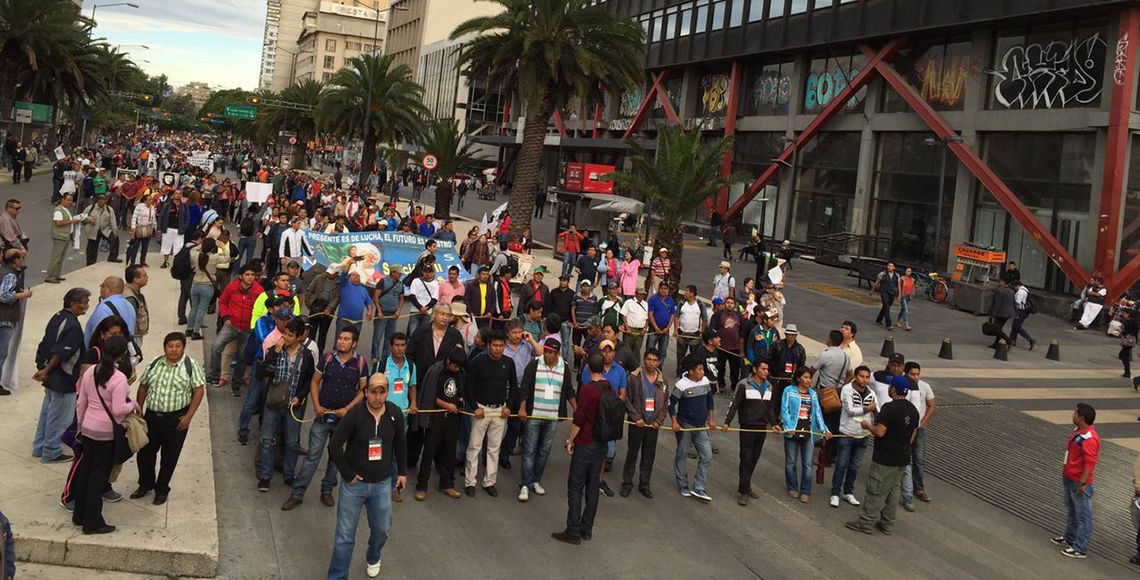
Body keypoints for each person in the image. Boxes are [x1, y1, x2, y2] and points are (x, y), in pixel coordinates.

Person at [327, 373, 407, 579]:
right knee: (344, 536)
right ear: (366, 392)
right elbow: (335, 445)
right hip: (354, 486)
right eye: (373, 391)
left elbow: (400, 445)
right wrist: (348, 474)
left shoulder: (395, 414)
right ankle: (337, 576)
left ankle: (373, 555)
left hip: (382, 485)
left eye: (382, 391)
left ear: (387, 392)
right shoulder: (355, 414)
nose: (378, 397)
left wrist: (403, 473)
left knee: (382, 530)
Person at [283, 327, 367, 511]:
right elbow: (314, 381)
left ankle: (327, 490)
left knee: (335, 457)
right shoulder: (328, 358)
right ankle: (297, 493)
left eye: (346, 339)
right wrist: (316, 405)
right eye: (340, 338)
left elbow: (363, 391)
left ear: (354, 343)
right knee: (313, 456)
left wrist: (347, 409)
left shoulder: (360, 363)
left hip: (343, 421)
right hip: (323, 417)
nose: (341, 342)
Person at [131, 332, 206, 506]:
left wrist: (188, 417)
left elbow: (199, 391)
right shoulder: (155, 363)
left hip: (175, 420)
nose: (174, 350)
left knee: (169, 457)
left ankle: (162, 489)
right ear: (164, 347)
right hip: (152, 418)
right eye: (170, 346)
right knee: (145, 454)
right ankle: (145, 484)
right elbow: (143, 386)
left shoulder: (190, 365)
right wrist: (139, 409)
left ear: (183, 348)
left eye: (177, 346)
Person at [72, 335, 137, 534]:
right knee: (98, 478)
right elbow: (118, 409)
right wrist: (132, 404)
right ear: (123, 354)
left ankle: (79, 514)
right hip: (106, 433)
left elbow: (81, 403)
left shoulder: (91, 371)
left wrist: (81, 428)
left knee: (85, 470)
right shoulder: (118, 379)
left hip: (89, 428)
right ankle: (93, 522)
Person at [845, 375, 919, 536]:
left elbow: (880, 432)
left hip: (885, 457)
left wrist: (867, 426)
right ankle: (887, 523)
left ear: (893, 389)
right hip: (903, 457)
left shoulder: (889, 408)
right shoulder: (913, 410)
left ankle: (866, 522)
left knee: (876, 489)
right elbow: (913, 434)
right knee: (893, 491)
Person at [551, 352, 607, 545]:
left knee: (575, 486)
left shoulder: (587, 390)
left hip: (585, 443)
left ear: (587, 368)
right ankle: (587, 528)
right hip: (601, 444)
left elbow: (579, 419)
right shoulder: (610, 388)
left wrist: (569, 440)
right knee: (592, 487)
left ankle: (573, 529)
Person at [255, 317, 316, 492]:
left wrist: (300, 397)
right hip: (273, 403)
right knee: (267, 439)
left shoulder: (306, 355)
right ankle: (265, 475)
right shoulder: (276, 349)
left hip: (292, 406)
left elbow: (309, 380)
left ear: (298, 337)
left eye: (290, 335)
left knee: (291, 442)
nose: (286, 338)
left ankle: (289, 474)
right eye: (285, 334)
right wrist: (275, 352)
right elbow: (262, 372)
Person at [31, 288, 89, 458]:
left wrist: (42, 368)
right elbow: (61, 352)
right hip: (63, 378)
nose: (86, 306)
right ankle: (51, 451)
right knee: (59, 416)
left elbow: (45, 343)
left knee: (47, 412)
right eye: (84, 303)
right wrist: (45, 371)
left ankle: (40, 446)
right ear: (73, 303)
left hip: (52, 375)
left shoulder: (57, 316)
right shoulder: (72, 325)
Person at [518, 339, 575, 502]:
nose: (547, 355)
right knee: (529, 451)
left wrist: (577, 410)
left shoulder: (564, 368)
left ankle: (535, 481)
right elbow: (525, 387)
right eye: (546, 351)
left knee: (544, 451)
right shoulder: (535, 364)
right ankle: (524, 484)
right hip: (534, 415)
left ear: (557, 353)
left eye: (551, 352)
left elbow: (569, 390)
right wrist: (522, 408)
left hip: (552, 417)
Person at [463, 330, 517, 497]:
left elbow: (514, 387)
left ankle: (489, 482)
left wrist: (509, 406)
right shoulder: (478, 363)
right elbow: (468, 387)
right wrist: (474, 407)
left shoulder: (509, 363)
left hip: (500, 412)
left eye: (501, 346)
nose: (498, 349)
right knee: (474, 447)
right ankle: (470, 482)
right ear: (488, 346)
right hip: (481, 410)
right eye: (495, 345)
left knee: (494, 449)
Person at [720, 359, 778, 506]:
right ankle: (744, 492)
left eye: (767, 369)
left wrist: (774, 424)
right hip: (747, 427)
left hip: (761, 428)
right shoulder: (744, 384)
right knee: (745, 458)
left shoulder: (770, 386)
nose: (766, 372)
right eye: (763, 369)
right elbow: (734, 404)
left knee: (754, 458)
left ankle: (745, 485)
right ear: (755, 369)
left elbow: (770, 409)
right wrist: (727, 421)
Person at [413, 348, 466, 501]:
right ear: (448, 360)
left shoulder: (460, 372)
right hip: (435, 417)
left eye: (459, 367)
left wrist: (460, 402)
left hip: (453, 418)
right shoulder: (437, 370)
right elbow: (430, 396)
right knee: (429, 452)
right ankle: (422, 486)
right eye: (455, 366)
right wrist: (446, 405)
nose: (456, 369)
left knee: (450, 452)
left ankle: (447, 484)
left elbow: (461, 392)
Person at [779, 366, 830, 503]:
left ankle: (806, 490)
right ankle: (792, 487)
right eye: (806, 377)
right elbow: (784, 410)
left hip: (808, 433)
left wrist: (824, 430)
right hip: (792, 433)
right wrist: (788, 427)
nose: (808, 380)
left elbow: (818, 413)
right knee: (791, 462)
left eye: (810, 378)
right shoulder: (788, 391)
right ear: (798, 378)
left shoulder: (813, 394)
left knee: (807, 464)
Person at [620, 349, 667, 498]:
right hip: (637, 423)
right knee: (632, 453)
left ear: (658, 362)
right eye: (649, 359)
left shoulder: (663, 381)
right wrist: (635, 417)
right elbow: (626, 400)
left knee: (649, 455)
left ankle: (644, 484)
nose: (651, 363)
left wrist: (659, 421)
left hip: (653, 425)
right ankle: (627, 483)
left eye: (654, 360)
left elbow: (665, 404)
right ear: (644, 360)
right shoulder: (633, 378)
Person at [670, 354, 716, 502]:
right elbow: (671, 404)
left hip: (701, 426)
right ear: (691, 371)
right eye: (700, 369)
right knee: (682, 455)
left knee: (707, 456)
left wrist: (711, 419)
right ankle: (683, 484)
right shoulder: (681, 385)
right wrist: (674, 422)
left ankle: (699, 486)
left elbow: (710, 402)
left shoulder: (705, 381)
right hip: (685, 426)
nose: (702, 372)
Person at [831, 365, 877, 508]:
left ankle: (848, 492)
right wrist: (866, 409)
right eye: (862, 376)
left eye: (867, 377)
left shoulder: (872, 393)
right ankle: (835, 493)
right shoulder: (847, 389)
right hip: (847, 433)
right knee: (841, 465)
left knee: (854, 466)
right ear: (856, 377)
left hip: (863, 436)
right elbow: (850, 410)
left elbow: (876, 409)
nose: (864, 380)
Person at [212, 265, 262, 394]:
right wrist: (226, 317)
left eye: (252, 275)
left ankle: (236, 383)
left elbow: (262, 308)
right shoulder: (232, 287)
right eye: (247, 274)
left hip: (247, 329)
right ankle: (215, 376)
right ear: (240, 276)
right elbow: (222, 301)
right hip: (231, 326)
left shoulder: (259, 290)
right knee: (216, 347)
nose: (250, 277)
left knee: (242, 357)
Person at [900, 361, 937, 511]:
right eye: (912, 374)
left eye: (917, 374)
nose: (915, 377)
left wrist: (923, 421)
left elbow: (932, 405)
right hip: (905, 428)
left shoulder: (924, 386)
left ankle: (918, 488)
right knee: (904, 458)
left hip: (919, 428)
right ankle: (904, 487)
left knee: (919, 459)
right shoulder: (903, 387)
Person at [187, 238, 225, 340]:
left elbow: (192, 250)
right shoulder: (214, 258)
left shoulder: (195, 256)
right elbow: (228, 257)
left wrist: (201, 245)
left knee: (194, 308)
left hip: (195, 284)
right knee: (202, 309)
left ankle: (189, 329)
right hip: (207, 285)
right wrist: (222, 246)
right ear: (213, 248)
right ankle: (196, 332)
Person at [84, 276, 136, 347]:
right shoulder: (129, 305)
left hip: (105, 353)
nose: (100, 289)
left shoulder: (103, 308)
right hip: (122, 350)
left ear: (108, 289)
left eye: (102, 286)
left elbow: (97, 335)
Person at [709, 295, 745, 393]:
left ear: (734, 305)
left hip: (735, 348)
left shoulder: (739, 316)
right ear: (725, 304)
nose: (729, 305)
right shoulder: (718, 315)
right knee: (720, 367)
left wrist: (741, 348)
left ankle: (734, 386)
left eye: (731, 303)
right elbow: (712, 329)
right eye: (727, 303)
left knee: (735, 369)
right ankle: (721, 384)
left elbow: (743, 331)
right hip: (721, 348)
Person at [371, 264, 405, 361]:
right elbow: (376, 296)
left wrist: (399, 311)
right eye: (399, 273)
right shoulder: (383, 281)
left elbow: (401, 298)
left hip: (393, 314)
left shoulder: (400, 284)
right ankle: (375, 356)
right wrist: (379, 311)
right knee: (378, 336)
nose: (400, 274)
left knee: (390, 337)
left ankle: (386, 357)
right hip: (382, 312)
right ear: (393, 272)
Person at [46, 194, 81, 284]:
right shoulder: (59, 210)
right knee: (56, 257)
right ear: (63, 199)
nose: (70, 202)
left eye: (71, 200)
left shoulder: (66, 210)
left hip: (65, 236)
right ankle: (50, 276)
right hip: (60, 236)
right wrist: (72, 221)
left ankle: (56, 275)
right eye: (68, 200)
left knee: (61, 258)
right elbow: (58, 222)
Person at [674, 285, 706, 376]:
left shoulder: (700, 304)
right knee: (680, 356)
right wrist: (676, 330)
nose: (685, 293)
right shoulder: (681, 303)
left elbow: (704, 319)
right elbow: (676, 317)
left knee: (695, 356)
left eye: (687, 291)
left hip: (695, 335)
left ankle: (693, 372)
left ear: (692, 293)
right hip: (682, 334)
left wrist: (702, 332)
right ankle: (679, 372)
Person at [84, 194, 121, 265]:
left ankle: (112, 257)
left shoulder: (109, 209)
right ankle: (90, 263)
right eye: (99, 199)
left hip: (105, 230)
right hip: (93, 230)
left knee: (114, 237)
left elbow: (113, 221)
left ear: (106, 201)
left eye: (103, 199)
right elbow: (82, 217)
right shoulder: (90, 208)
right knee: (92, 247)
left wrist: (115, 230)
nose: (101, 201)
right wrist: (89, 219)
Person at [405, 263, 439, 337]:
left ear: (433, 273)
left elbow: (434, 299)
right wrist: (420, 307)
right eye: (426, 271)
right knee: (413, 333)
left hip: (427, 312)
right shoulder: (416, 281)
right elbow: (412, 296)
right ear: (422, 272)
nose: (427, 273)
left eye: (429, 271)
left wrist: (426, 308)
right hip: (415, 311)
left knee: (424, 334)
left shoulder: (435, 283)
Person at [646, 282, 675, 367]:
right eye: (662, 288)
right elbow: (650, 314)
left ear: (668, 290)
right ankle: (648, 367)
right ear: (659, 289)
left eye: (665, 289)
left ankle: (659, 369)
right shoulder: (653, 299)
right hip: (654, 329)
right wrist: (656, 328)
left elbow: (672, 315)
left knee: (662, 352)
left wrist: (668, 327)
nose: (663, 290)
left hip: (665, 330)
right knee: (650, 351)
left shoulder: (670, 300)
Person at [619, 288, 649, 357]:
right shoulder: (628, 302)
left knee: (637, 350)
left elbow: (647, 319)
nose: (641, 296)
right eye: (639, 294)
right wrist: (627, 328)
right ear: (635, 293)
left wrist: (645, 329)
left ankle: (635, 366)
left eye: (642, 294)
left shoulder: (646, 304)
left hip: (640, 331)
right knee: (627, 350)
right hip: (630, 329)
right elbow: (623, 315)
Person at [870, 261, 900, 329]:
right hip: (884, 292)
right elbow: (877, 282)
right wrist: (872, 290)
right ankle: (888, 324)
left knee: (886, 307)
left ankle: (879, 319)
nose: (889, 267)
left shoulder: (897, 275)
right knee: (886, 306)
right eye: (888, 265)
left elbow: (898, 285)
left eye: (891, 266)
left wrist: (899, 294)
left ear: (894, 268)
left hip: (892, 293)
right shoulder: (882, 274)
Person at [988, 278, 1016, 349]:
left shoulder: (999, 291)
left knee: (997, 329)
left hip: (1000, 313)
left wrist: (992, 315)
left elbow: (996, 304)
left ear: (1003, 283)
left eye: (1000, 282)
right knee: (999, 328)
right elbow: (1013, 303)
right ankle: (996, 343)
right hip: (1008, 313)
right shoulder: (1012, 291)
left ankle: (1009, 341)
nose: (999, 283)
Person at [1009, 279, 1036, 350]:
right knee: (1015, 326)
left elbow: (1017, 302)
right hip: (1023, 311)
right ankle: (1012, 340)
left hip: (1021, 311)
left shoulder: (1021, 291)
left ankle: (1030, 340)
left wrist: (1015, 310)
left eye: (1014, 287)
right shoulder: (1025, 290)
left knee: (1017, 326)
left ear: (1017, 285)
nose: (1014, 289)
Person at [1121, 309, 1139, 384]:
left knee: (1123, 355)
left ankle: (1127, 372)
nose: (1123, 314)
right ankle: (1127, 372)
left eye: (1125, 313)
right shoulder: (1135, 322)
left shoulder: (1128, 322)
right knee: (1125, 354)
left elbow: (1126, 332)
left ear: (1128, 314)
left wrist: (1121, 332)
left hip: (1128, 341)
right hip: (1132, 341)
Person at [898, 267, 914, 331]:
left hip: (908, 296)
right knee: (906, 310)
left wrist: (912, 294)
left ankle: (897, 321)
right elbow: (899, 288)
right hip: (903, 296)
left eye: (910, 271)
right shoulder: (902, 279)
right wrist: (899, 295)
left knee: (903, 309)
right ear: (905, 271)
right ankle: (907, 325)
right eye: (907, 271)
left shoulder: (912, 279)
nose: (908, 272)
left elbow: (913, 287)